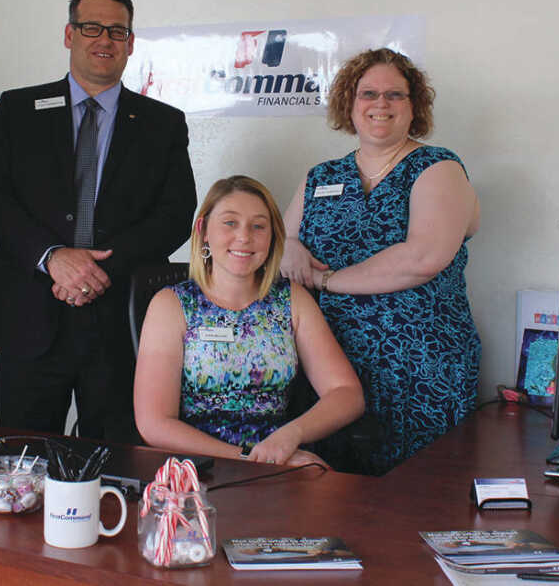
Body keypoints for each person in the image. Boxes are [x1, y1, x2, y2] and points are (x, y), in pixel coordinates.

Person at [0, 0, 196, 442]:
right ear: (69, 34)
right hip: (29, 314)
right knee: (23, 459)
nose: (104, 39)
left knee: (118, 460)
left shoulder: (162, 123)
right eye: (92, 27)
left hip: (119, 320)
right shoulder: (17, 110)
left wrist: (99, 268)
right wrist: (53, 257)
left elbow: (175, 214)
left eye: (117, 31)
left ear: (130, 43)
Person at [281, 47, 481, 475]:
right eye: (368, 93)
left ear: (414, 106)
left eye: (395, 94)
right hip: (329, 370)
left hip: (420, 368)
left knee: (419, 491)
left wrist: (328, 280)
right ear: (350, 104)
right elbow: (279, 243)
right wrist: (290, 246)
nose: (380, 104)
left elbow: (422, 258)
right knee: (331, 492)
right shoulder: (321, 176)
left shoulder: (438, 167)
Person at [134, 176, 364, 465]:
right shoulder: (172, 305)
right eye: (230, 223)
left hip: (279, 456)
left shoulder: (292, 299)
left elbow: (347, 394)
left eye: (258, 226)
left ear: (273, 237)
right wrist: (248, 458)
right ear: (203, 230)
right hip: (199, 465)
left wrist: (291, 435)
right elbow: (154, 424)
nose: (244, 237)